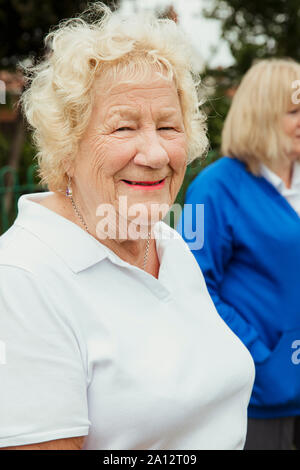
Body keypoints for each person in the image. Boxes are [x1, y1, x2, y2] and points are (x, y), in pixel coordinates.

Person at [0, 2, 255, 450]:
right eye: (124, 128)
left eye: (168, 126)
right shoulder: (21, 280)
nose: (155, 154)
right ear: (66, 145)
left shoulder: (168, 243)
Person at [178, 58, 300, 450]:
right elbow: (191, 289)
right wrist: (262, 357)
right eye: (294, 111)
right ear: (262, 114)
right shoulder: (214, 188)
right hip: (256, 398)